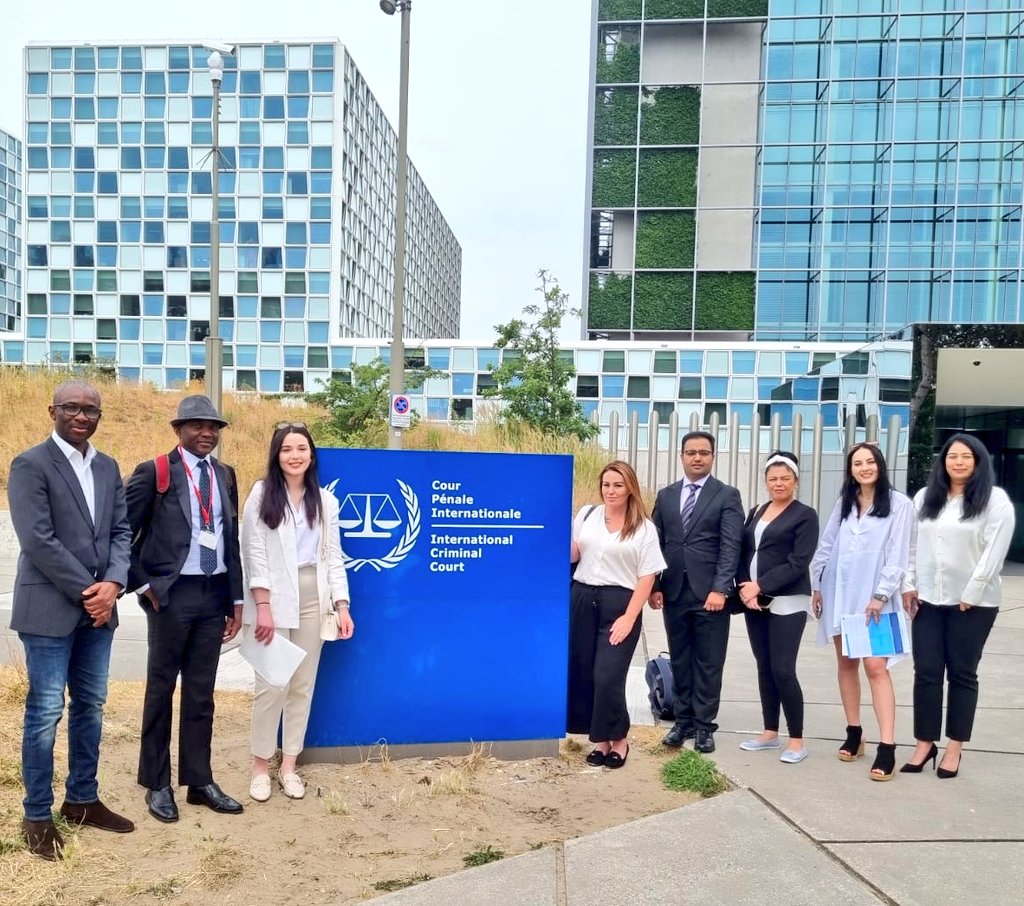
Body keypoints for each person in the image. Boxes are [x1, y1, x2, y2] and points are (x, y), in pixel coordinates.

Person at [8, 380, 135, 859]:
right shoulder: (30, 464)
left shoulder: (107, 466)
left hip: (100, 612)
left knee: (91, 706)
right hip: (50, 610)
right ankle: (37, 814)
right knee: (44, 714)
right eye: (72, 408)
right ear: (52, 410)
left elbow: (121, 532)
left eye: (90, 410)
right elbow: (38, 540)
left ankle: (82, 799)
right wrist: (92, 592)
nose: (82, 416)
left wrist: (115, 585)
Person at [126, 394, 245, 822]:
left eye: (213, 427)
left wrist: (236, 599)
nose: (206, 433)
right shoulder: (155, 472)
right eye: (196, 425)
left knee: (201, 693)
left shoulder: (225, 475)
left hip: (213, 595)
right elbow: (122, 532)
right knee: (162, 690)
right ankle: (157, 783)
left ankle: (199, 780)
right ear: (179, 430)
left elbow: (229, 540)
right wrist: (143, 584)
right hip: (171, 595)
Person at [241, 423, 354, 801]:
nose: (294, 455)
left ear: (311, 454)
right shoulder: (261, 495)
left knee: (302, 687)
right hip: (272, 596)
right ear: (276, 455)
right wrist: (263, 605)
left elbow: (333, 557)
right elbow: (253, 552)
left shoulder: (325, 501)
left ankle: (289, 766)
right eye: (287, 449)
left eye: (301, 448)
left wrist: (341, 605)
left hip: (312, 596)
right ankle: (260, 766)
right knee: (272, 685)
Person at [900, 434, 1016, 779]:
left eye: (967, 456)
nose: (959, 462)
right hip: (928, 601)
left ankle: (954, 747)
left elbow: (994, 553)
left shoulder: (995, 501)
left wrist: (973, 592)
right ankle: (924, 743)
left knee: (963, 674)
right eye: (953, 456)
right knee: (927, 673)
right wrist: (908, 585)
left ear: (978, 462)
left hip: (972, 604)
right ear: (943, 461)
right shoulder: (925, 498)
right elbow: (910, 545)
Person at [810, 442, 914, 781]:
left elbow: (898, 555)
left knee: (875, 667)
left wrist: (881, 594)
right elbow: (827, 544)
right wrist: (816, 583)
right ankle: (854, 731)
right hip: (840, 594)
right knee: (846, 662)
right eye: (858, 463)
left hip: (875, 599)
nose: (864, 467)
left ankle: (888, 746)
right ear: (850, 469)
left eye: (870, 461)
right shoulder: (845, 503)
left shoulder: (899, 505)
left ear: (880, 466)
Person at [651, 431, 744, 754]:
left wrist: (721, 588)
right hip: (674, 591)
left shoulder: (727, 495)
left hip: (711, 596)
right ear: (681, 456)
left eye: (703, 453)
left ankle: (705, 726)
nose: (697, 458)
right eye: (691, 452)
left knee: (708, 661)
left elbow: (731, 546)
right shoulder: (666, 496)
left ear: (712, 457)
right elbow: (656, 545)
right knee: (681, 659)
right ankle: (684, 720)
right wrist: (655, 586)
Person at [568, 461, 666, 768]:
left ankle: (619, 739)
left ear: (630, 489)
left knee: (608, 675)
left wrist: (629, 616)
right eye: (606, 485)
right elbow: (574, 553)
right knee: (585, 672)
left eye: (618, 485)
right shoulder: (587, 515)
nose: (611, 491)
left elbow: (647, 576)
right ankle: (600, 740)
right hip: (583, 598)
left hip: (620, 604)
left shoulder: (644, 528)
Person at [736, 451, 819, 764]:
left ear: (795, 481)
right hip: (754, 601)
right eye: (773, 478)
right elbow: (744, 551)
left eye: (785, 478)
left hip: (787, 600)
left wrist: (762, 585)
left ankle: (796, 740)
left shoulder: (805, 515)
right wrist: (746, 587)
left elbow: (799, 562)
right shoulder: (757, 510)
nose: (778, 483)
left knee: (783, 668)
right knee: (764, 666)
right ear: (766, 481)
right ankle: (770, 732)